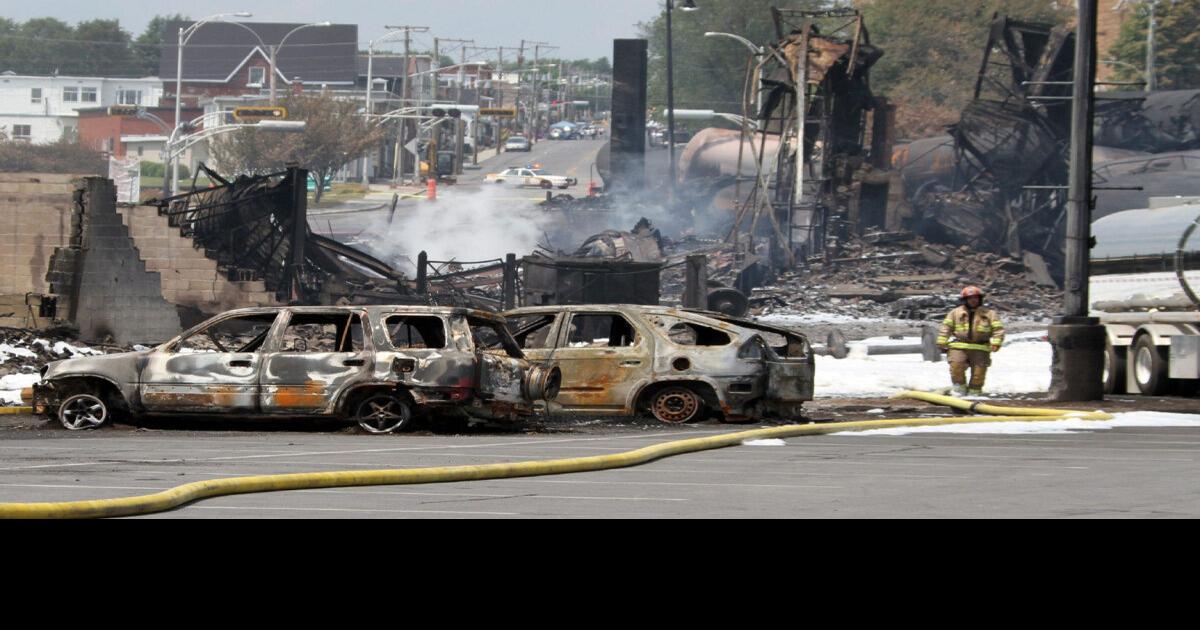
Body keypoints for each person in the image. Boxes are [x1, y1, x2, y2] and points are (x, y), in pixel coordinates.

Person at [937, 286, 1006, 396]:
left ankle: (975, 393)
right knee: (956, 366)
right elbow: (946, 327)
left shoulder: (989, 314)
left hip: (980, 347)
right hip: (959, 346)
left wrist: (997, 342)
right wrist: (942, 340)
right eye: (970, 298)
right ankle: (959, 390)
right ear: (965, 299)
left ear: (980, 299)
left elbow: (998, 329)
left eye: (975, 298)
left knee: (979, 373)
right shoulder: (955, 313)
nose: (973, 300)